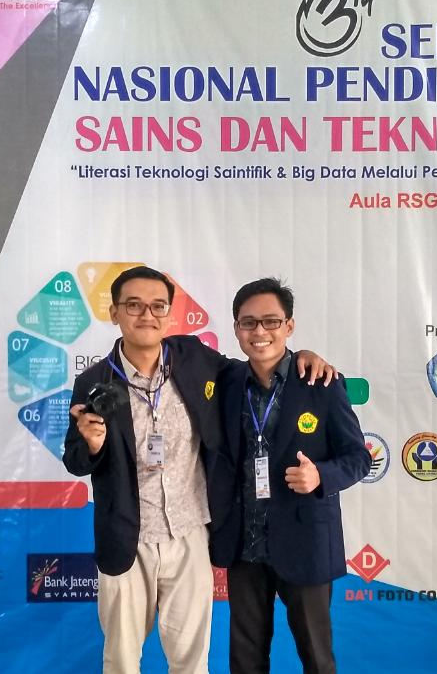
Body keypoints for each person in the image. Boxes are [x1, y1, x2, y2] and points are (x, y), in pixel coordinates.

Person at [62, 266, 334, 674]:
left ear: (169, 314)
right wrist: (92, 445)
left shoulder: (192, 358)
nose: (147, 315)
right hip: (128, 537)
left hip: (190, 533)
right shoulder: (94, 380)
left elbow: (254, 366)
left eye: (158, 306)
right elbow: (74, 459)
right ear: (114, 312)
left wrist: (300, 358)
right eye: (133, 305)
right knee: (120, 660)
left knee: (191, 661)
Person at [209, 277, 370, 674]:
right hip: (244, 545)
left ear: (289, 326)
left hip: (305, 540)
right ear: (236, 329)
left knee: (317, 658)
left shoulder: (322, 383)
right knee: (245, 661)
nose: (259, 332)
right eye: (248, 323)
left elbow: (358, 457)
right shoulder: (226, 382)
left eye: (271, 321)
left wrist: (321, 477)